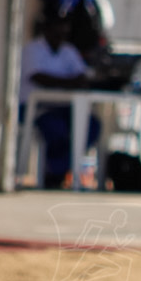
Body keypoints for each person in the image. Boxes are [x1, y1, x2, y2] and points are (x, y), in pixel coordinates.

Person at [20, 15, 102, 189]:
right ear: (46, 30)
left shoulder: (68, 51)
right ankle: (54, 173)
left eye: (64, 32)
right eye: (56, 31)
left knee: (92, 125)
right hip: (34, 109)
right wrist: (70, 82)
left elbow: (82, 76)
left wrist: (75, 81)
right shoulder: (32, 49)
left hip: (63, 107)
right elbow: (39, 78)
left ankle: (59, 171)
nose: (60, 35)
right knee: (56, 129)